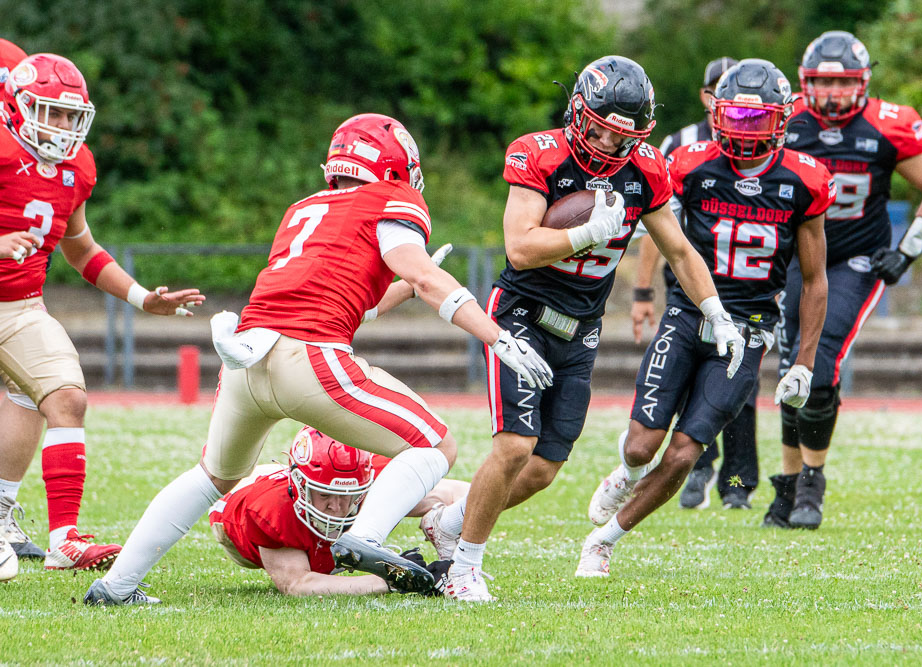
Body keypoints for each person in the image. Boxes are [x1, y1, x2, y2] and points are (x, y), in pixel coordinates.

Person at [84, 112, 552, 605]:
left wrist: (409, 288)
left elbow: (358, 304)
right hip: (309, 356)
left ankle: (116, 587)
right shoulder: (393, 199)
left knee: (212, 477)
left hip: (247, 359)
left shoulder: (304, 209)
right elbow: (429, 280)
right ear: (395, 167)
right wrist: (497, 336)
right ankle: (365, 538)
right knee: (436, 445)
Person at [423, 55, 745, 602]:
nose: (610, 144)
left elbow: (681, 251)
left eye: (624, 136)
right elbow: (521, 248)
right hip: (521, 312)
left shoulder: (645, 168)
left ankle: (451, 521)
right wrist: (588, 232)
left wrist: (716, 312)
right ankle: (463, 568)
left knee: (544, 468)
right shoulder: (537, 153)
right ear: (579, 111)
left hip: (581, 326)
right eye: (601, 129)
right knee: (515, 445)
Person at [578, 59, 833, 577]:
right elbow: (656, 229)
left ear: (782, 119)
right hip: (686, 314)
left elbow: (814, 280)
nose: (743, 130)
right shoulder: (689, 162)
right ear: (715, 113)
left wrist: (802, 362)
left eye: (756, 119)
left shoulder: (805, 179)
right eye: (734, 117)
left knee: (682, 453)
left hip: (749, 330)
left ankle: (604, 541)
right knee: (641, 446)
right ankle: (625, 473)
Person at [0, 53, 205, 583]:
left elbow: (82, 248)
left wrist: (142, 298)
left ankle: (60, 538)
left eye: (70, 116)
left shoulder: (76, 167)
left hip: (19, 306)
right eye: (50, 112)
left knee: (64, 397)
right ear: (16, 107)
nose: (61, 126)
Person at [769, 31, 922, 529]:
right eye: (822, 84)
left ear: (863, 82)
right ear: (806, 83)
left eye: (842, 83)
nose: (831, 95)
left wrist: (906, 250)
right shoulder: (784, 118)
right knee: (791, 367)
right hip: (794, 259)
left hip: (855, 258)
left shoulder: (889, 125)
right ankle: (785, 489)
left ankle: (811, 481)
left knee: (821, 359)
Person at [632, 56, 761, 511]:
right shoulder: (681, 147)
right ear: (708, 97)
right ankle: (700, 468)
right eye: (715, 92)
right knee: (686, 376)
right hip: (690, 288)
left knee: (740, 389)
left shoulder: (773, 154)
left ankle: (738, 481)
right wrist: (644, 289)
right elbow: (656, 225)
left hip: (748, 294)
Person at [207, 426, 467, 598]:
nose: (337, 507)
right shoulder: (269, 508)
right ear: (299, 485)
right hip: (233, 505)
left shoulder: (371, 478)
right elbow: (297, 585)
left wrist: (451, 520)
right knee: (316, 562)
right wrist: (392, 578)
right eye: (324, 495)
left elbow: (462, 493)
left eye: (348, 495)